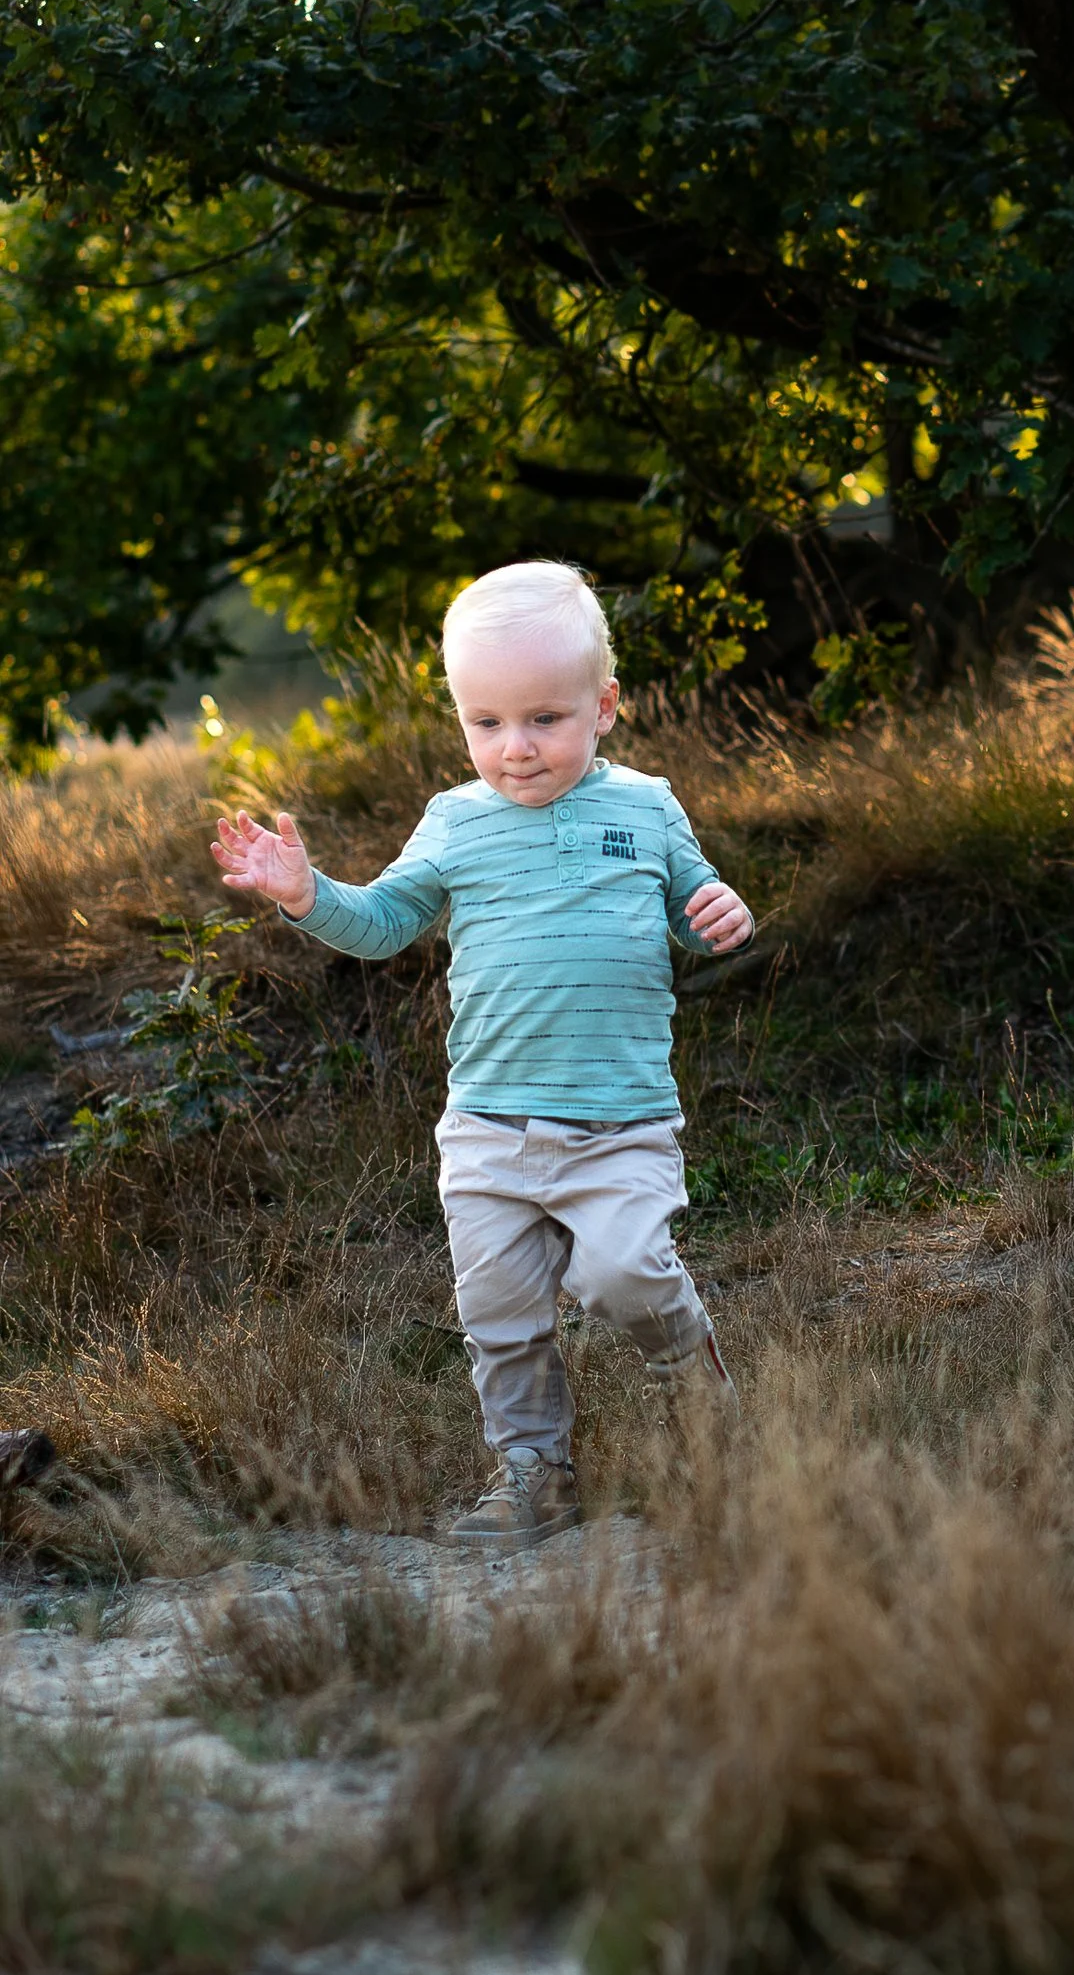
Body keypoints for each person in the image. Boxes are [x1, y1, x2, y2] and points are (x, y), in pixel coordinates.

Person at [212, 561, 755, 1549]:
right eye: (486, 722)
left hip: (618, 1119)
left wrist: (725, 913)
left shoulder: (646, 808)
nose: (515, 748)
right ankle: (533, 1474)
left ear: (607, 706)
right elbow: (381, 923)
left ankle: (700, 1399)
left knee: (624, 1274)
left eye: (545, 718)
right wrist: (305, 894)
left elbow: (696, 904)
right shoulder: (455, 822)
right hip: (489, 1127)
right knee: (500, 1318)